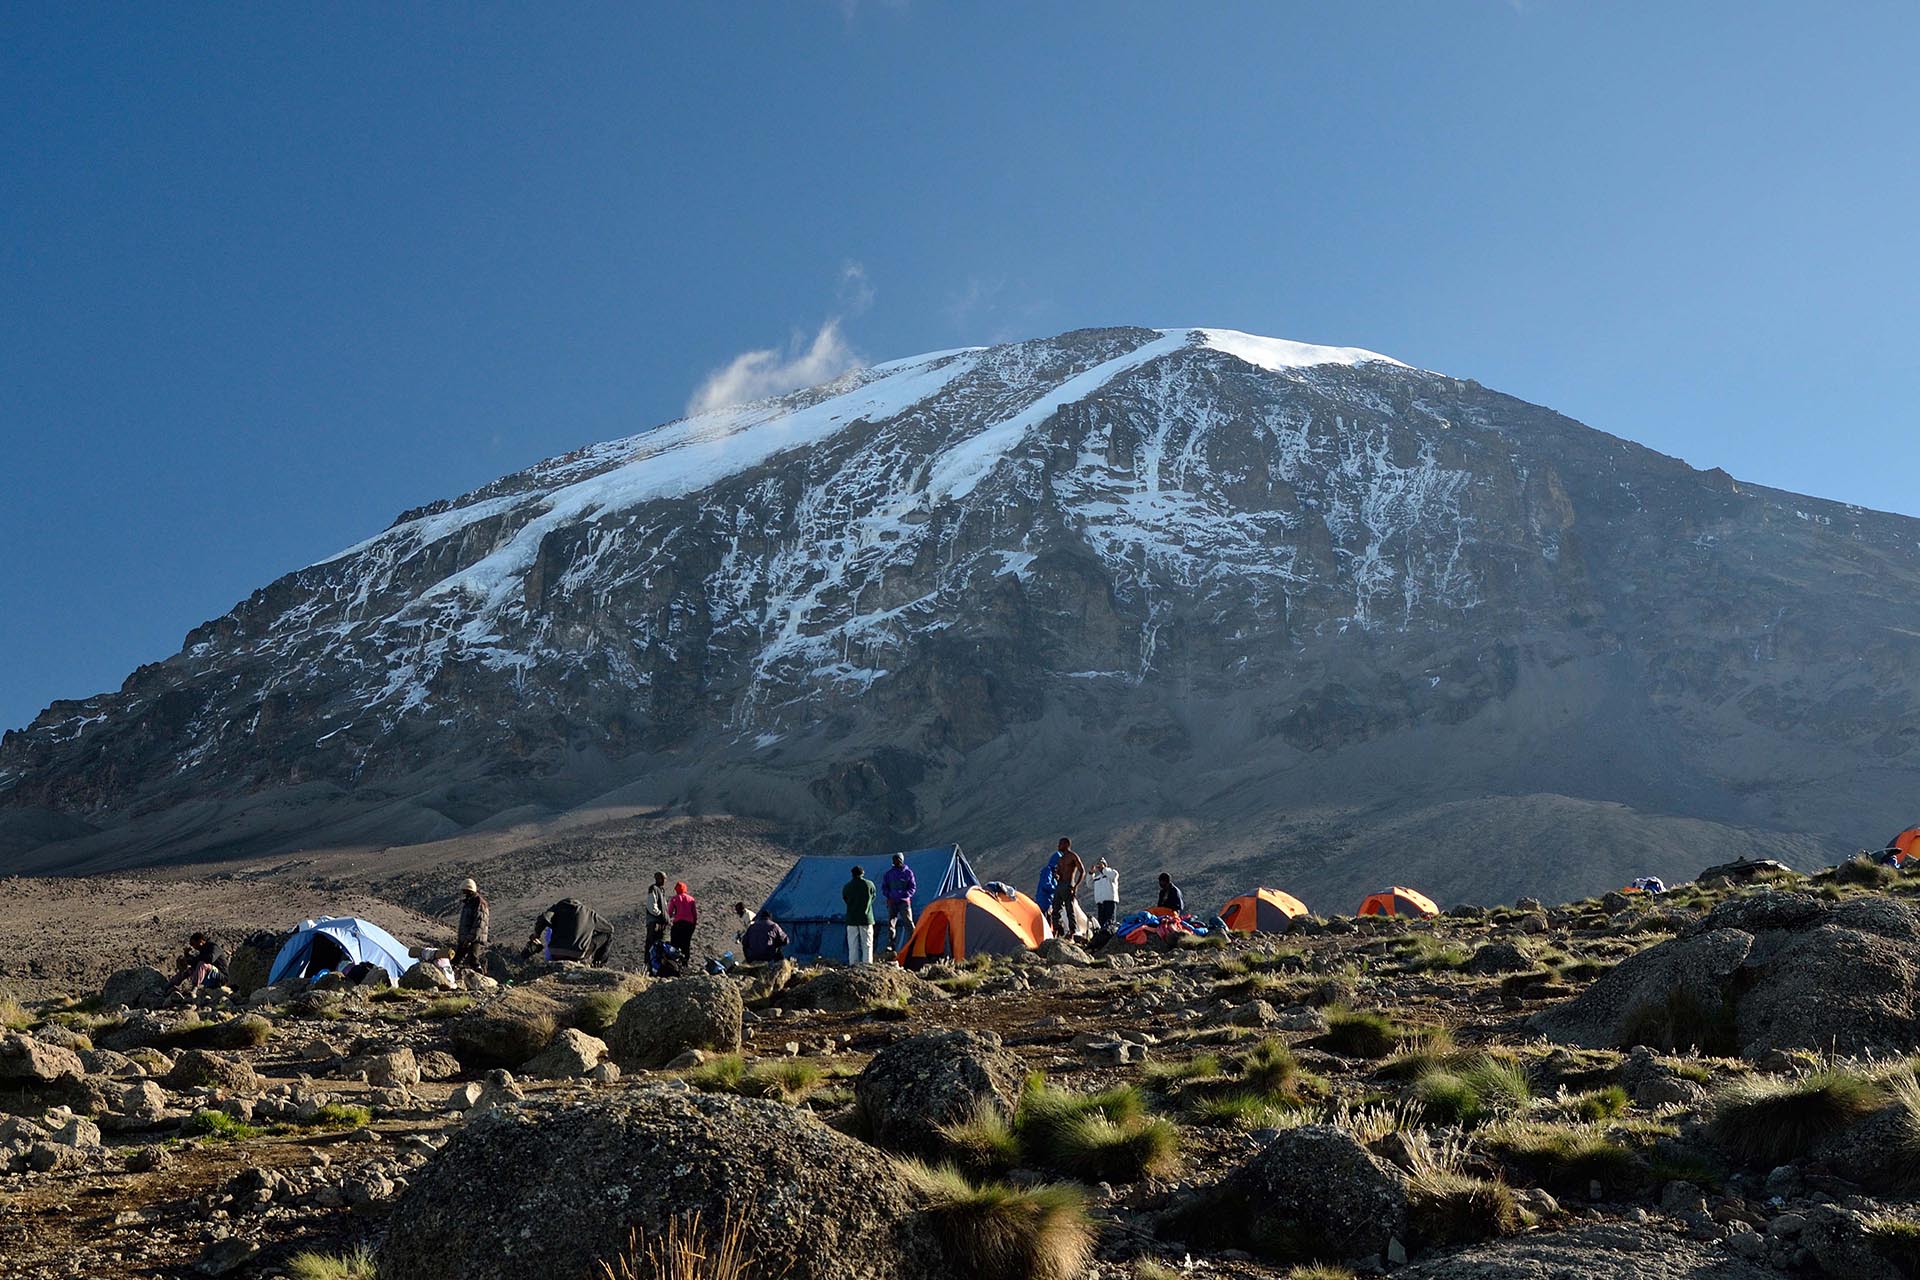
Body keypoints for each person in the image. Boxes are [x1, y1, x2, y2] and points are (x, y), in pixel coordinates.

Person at [525, 898, 615, 965]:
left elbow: (544, 918)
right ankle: (598, 965)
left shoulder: (558, 908)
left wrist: (537, 935)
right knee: (608, 935)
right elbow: (609, 929)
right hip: (577, 954)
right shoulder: (589, 913)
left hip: (556, 952)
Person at [880, 852, 917, 952]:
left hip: (904, 902)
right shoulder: (889, 874)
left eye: (898, 859)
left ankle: (912, 943)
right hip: (892, 902)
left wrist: (905, 895)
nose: (896, 861)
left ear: (902, 860)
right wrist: (889, 895)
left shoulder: (908, 873)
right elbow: (884, 887)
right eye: (895, 859)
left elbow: (912, 887)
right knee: (891, 924)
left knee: (909, 923)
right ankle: (891, 945)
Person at [1049, 838, 1086, 938]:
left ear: (1066, 844)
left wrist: (1076, 885)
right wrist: (1057, 875)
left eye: (1060, 844)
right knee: (1056, 909)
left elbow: (1082, 871)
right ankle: (1057, 929)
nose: (1058, 846)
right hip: (1060, 885)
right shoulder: (1060, 859)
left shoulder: (1073, 856)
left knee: (1070, 909)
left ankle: (1072, 931)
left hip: (1069, 885)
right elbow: (1059, 874)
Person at [843, 865, 877, 965]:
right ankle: (867, 964)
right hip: (866, 918)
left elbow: (845, 899)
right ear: (863, 873)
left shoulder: (847, 886)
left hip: (852, 919)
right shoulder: (869, 884)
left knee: (852, 944)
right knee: (867, 943)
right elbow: (873, 896)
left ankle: (853, 964)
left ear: (852, 874)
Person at [454, 878, 489, 971]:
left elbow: (479, 924)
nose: (464, 893)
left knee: (473, 960)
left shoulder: (479, 903)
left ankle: (481, 980)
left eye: (465, 891)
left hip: (474, 939)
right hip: (467, 938)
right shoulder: (469, 903)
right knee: (456, 960)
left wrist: (469, 939)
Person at [1090, 858, 1121, 932]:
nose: (1099, 866)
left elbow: (1113, 875)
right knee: (1101, 922)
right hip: (1100, 903)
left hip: (1110, 901)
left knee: (1109, 922)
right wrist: (1091, 873)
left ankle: (1110, 935)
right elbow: (1089, 884)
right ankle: (1102, 936)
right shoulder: (1097, 878)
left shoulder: (1112, 873)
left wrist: (1104, 869)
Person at [668, 882, 699, 955]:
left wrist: (668, 920)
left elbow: (669, 912)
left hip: (678, 924)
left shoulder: (674, 899)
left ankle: (674, 960)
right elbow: (694, 914)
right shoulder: (691, 899)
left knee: (674, 943)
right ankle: (685, 961)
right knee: (686, 943)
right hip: (689, 925)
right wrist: (694, 924)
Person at [645, 872, 670, 955]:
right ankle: (648, 964)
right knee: (651, 944)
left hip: (661, 923)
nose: (663, 880)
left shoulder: (661, 890)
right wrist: (660, 915)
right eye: (661, 878)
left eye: (664, 879)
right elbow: (652, 906)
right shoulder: (653, 889)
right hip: (654, 922)